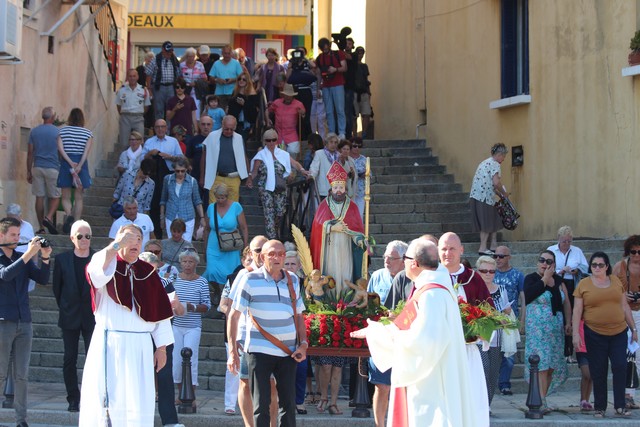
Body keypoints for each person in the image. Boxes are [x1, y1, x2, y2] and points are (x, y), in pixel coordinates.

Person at [350, 239, 478, 426]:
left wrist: (377, 335)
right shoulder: (430, 289)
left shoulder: (431, 296)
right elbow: (405, 325)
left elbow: (424, 343)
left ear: (414, 263)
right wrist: (376, 330)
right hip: (432, 378)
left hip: (431, 383)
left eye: (405, 258)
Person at [79, 224, 174, 426]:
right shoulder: (106, 261)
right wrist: (115, 246)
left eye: (139, 239)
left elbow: (160, 311)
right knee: (107, 398)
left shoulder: (148, 271)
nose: (135, 243)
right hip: (110, 343)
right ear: (119, 239)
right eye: (130, 238)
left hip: (140, 346)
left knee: (138, 399)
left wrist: (162, 347)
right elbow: (96, 274)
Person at [227, 240, 308, 427]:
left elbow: (299, 316)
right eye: (272, 254)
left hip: (288, 351)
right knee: (261, 404)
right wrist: (232, 351)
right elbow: (234, 315)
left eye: (281, 254)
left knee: (288, 404)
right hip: (258, 350)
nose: (277, 257)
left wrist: (303, 344)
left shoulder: (293, 279)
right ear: (262, 257)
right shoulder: (249, 279)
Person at [0, 217, 52, 427]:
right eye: (13, 235)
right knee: (1, 372)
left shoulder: (22, 256)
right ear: (2, 236)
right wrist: (30, 254)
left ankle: (22, 420)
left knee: (22, 375)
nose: (16, 239)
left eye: (18, 235)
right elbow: (5, 275)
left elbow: (42, 279)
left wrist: (46, 258)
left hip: (24, 321)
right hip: (4, 321)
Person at [573, 251, 637, 418]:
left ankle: (620, 406)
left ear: (607, 266)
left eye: (601, 265)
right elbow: (577, 311)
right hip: (594, 333)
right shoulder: (584, 284)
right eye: (594, 265)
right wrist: (575, 334)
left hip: (619, 332)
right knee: (598, 370)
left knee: (620, 366)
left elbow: (625, 306)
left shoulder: (616, 281)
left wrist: (634, 329)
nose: (597, 267)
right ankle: (600, 407)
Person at [438, 231, 491, 425]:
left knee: (470, 398)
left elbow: (489, 312)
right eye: (443, 249)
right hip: (439, 353)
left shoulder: (473, 278)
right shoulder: (431, 277)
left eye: (452, 248)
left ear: (461, 250)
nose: (447, 253)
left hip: (467, 351)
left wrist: (476, 331)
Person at [137, 251, 185, 427]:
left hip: (163, 334)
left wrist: (176, 305)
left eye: (153, 269)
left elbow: (179, 311)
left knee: (164, 377)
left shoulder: (165, 283)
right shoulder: (131, 281)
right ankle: (140, 419)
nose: (149, 273)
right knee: (140, 377)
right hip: (139, 334)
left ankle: (170, 420)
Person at [52, 219, 95, 412]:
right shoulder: (62, 260)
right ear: (72, 238)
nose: (84, 239)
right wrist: (66, 306)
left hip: (92, 317)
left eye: (87, 236)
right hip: (69, 316)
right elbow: (57, 289)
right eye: (80, 236)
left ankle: (90, 397)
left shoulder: (97, 258)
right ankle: (73, 398)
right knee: (69, 358)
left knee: (92, 359)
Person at [366, 240, 408, 427]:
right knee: (381, 386)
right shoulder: (377, 276)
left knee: (403, 387)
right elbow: (368, 305)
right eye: (385, 257)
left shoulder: (411, 279)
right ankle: (379, 424)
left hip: (403, 339)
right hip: (381, 339)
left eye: (391, 258)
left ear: (404, 260)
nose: (387, 261)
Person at [524, 250, 571, 413]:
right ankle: (540, 401)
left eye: (549, 261)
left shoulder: (559, 281)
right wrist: (545, 279)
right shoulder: (531, 279)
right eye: (542, 260)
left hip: (555, 330)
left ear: (554, 265)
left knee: (552, 365)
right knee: (541, 364)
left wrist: (568, 322)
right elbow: (529, 295)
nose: (545, 264)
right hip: (538, 330)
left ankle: (543, 397)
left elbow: (566, 303)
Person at [310, 161, 367, 296]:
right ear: (331, 189)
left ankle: (346, 297)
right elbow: (317, 225)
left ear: (345, 188)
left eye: (341, 187)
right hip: (329, 248)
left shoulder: (352, 206)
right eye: (336, 187)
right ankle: (330, 298)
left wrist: (360, 240)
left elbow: (357, 228)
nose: (339, 190)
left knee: (345, 271)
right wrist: (331, 227)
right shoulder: (324, 205)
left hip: (346, 246)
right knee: (331, 271)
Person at [247, 128, 309, 239]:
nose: (271, 142)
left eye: (273, 140)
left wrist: (303, 170)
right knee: (269, 214)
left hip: (280, 188)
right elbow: (254, 171)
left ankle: (274, 231)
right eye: (268, 140)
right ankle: (272, 239)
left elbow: (294, 163)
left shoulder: (283, 154)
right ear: (264, 141)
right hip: (266, 189)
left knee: (280, 212)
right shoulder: (261, 155)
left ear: (277, 141)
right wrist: (250, 179)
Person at [172, 249, 211, 406]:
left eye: (191, 262)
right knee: (176, 361)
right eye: (184, 261)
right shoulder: (174, 280)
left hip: (193, 326)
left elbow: (207, 306)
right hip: (176, 325)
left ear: (196, 263)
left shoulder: (202, 282)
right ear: (180, 263)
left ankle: (191, 395)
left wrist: (191, 306)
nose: (187, 265)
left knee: (191, 359)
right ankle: (181, 393)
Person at [203, 183, 248, 304]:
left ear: (227, 196)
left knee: (232, 273)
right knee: (211, 271)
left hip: (231, 245)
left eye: (223, 197)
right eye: (218, 197)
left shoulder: (236, 206)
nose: (220, 200)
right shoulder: (211, 208)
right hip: (214, 244)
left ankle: (227, 296)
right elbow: (206, 228)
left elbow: (243, 227)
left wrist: (245, 246)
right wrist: (204, 246)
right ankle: (217, 290)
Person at [475, 255, 511, 407]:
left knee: (493, 372)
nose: (488, 274)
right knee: (483, 368)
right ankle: (480, 404)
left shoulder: (501, 289)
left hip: (496, 337)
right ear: (478, 272)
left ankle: (487, 404)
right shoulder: (473, 290)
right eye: (484, 271)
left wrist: (505, 315)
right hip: (478, 338)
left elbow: (506, 312)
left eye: (492, 271)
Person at [492, 246, 525, 396]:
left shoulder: (517, 275)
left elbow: (523, 299)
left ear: (509, 257)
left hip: (510, 319)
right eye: (496, 256)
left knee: (509, 354)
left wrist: (522, 320)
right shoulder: (489, 273)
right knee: (492, 353)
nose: (498, 259)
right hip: (492, 318)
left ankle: (504, 384)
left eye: (501, 256)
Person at [612, 234, 640, 409]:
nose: (637, 255)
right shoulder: (619, 267)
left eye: (639, 252)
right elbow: (612, 289)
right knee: (631, 355)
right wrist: (624, 296)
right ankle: (628, 395)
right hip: (624, 313)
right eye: (633, 252)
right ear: (627, 251)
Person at [143, 118, 183, 237]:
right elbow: (141, 160)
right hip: (153, 178)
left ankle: (173, 233)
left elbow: (181, 159)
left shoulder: (173, 141)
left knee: (171, 203)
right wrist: (150, 154)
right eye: (157, 127)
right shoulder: (149, 142)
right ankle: (157, 233)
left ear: (166, 128)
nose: (160, 129)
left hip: (170, 176)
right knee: (154, 205)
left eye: (162, 127)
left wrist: (169, 157)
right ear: (154, 129)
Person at [469, 143, 509, 255]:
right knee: (486, 223)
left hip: (478, 196)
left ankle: (493, 245)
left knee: (494, 218)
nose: (504, 159)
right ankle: (482, 248)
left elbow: (490, 183)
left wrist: (499, 194)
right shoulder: (495, 164)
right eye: (504, 156)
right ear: (499, 154)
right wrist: (504, 193)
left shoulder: (485, 162)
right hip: (484, 198)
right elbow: (496, 182)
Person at [57, 108, 93, 234]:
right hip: (81, 165)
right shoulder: (88, 133)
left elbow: (60, 149)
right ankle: (76, 223)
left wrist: (69, 162)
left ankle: (68, 214)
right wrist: (79, 165)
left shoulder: (62, 131)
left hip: (66, 163)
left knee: (65, 196)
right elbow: (86, 152)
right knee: (79, 197)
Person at [200, 115, 249, 203]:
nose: (229, 131)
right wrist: (202, 177)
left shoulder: (239, 138)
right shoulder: (212, 136)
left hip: (234, 178)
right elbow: (204, 157)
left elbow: (244, 156)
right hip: (216, 177)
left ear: (235, 127)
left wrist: (248, 175)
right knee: (214, 207)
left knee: (232, 208)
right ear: (222, 125)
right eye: (226, 129)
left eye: (231, 129)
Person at [27, 106, 60, 234]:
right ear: (52, 117)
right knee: (56, 196)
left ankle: (41, 227)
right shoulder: (57, 132)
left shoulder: (34, 132)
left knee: (39, 197)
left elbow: (30, 152)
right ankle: (49, 216)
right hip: (53, 167)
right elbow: (60, 151)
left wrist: (28, 171)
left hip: (37, 166)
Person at [160, 156, 205, 242]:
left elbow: (197, 201)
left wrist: (202, 217)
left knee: (186, 244)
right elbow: (163, 200)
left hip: (187, 216)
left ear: (187, 169)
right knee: (171, 242)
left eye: (183, 171)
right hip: (171, 215)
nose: (180, 173)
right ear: (174, 169)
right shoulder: (168, 179)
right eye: (177, 171)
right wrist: (162, 217)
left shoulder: (192, 181)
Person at [547, 225, 588, 309]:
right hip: (556, 282)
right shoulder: (551, 250)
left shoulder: (577, 251)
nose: (566, 244)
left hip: (572, 284)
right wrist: (560, 271)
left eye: (569, 241)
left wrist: (577, 270)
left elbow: (586, 267)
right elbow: (546, 266)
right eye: (564, 241)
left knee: (571, 306)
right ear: (558, 239)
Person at [315, 37, 347, 139]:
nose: (325, 50)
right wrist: (318, 88)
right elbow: (319, 74)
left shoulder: (338, 54)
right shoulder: (320, 58)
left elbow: (345, 67)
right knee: (328, 111)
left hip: (338, 84)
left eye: (326, 47)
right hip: (326, 86)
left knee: (340, 109)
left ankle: (342, 132)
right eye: (323, 49)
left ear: (329, 46)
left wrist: (335, 69)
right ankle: (332, 132)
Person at [267, 83, 306, 158]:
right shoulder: (277, 103)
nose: (288, 97)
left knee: (293, 151)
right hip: (279, 134)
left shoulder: (298, 104)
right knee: (280, 153)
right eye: (287, 95)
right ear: (283, 95)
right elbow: (268, 110)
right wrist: (267, 119)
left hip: (291, 134)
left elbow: (304, 115)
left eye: (290, 96)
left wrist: (302, 113)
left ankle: (292, 168)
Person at [146, 41, 181, 121]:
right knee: (159, 110)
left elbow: (179, 74)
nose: (169, 53)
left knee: (171, 109)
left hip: (171, 87)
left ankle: (169, 131)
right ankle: (159, 129)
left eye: (171, 51)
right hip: (159, 87)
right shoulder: (156, 60)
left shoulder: (174, 60)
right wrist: (149, 88)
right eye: (167, 51)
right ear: (163, 50)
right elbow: (148, 74)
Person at [116, 69, 151, 148]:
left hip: (138, 118)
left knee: (139, 142)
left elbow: (146, 106)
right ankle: (124, 160)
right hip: (125, 118)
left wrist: (139, 113)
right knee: (124, 144)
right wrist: (124, 113)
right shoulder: (122, 90)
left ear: (137, 77)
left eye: (134, 76)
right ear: (127, 77)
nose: (132, 78)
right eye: (130, 76)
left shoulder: (143, 90)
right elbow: (118, 105)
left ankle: (138, 160)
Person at [185, 115, 213, 213]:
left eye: (208, 124)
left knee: (209, 206)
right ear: (199, 125)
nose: (206, 127)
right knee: (195, 205)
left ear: (212, 126)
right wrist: (189, 166)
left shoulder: (216, 140)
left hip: (212, 178)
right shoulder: (193, 140)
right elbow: (188, 157)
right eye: (203, 124)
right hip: (196, 177)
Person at [227, 71, 260, 142]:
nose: (241, 81)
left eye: (244, 79)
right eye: (239, 79)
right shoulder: (235, 92)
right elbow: (230, 107)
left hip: (246, 124)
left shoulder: (252, 94)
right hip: (234, 123)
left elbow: (254, 112)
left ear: (247, 81)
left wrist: (244, 104)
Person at [209, 44, 244, 110]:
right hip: (219, 93)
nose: (227, 55)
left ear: (231, 53)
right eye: (225, 53)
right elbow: (211, 78)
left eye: (228, 53)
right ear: (222, 53)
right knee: (219, 112)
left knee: (233, 112)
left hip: (233, 92)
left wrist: (233, 80)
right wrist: (217, 80)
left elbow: (242, 77)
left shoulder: (236, 63)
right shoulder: (216, 63)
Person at [308, 133, 340, 198]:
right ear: (326, 143)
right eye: (331, 142)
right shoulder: (319, 153)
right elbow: (314, 168)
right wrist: (311, 175)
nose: (333, 144)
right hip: (323, 189)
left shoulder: (339, 155)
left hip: (336, 189)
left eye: (335, 142)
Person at [179, 47, 207, 118]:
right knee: (185, 110)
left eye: (192, 56)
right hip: (185, 90)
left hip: (196, 91)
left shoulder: (199, 65)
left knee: (196, 111)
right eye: (189, 56)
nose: (191, 58)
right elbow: (179, 78)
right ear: (186, 56)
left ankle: (195, 127)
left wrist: (196, 83)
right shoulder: (182, 65)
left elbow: (204, 78)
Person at [352, 46, 372, 138]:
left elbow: (366, 79)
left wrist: (369, 92)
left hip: (364, 92)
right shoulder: (352, 65)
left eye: (362, 53)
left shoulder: (364, 66)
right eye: (359, 53)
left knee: (366, 114)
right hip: (355, 92)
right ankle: (355, 134)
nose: (361, 55)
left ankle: (364, 133)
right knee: (354, 116)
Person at [349, 137, 367, 218]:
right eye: (355, 146)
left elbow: (370, 174)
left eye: (359, 146)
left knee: (359, 216)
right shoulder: (346, 159)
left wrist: (364, 174)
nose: (357, 148)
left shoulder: (364, 159)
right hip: (348, 192)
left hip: (360, 192)